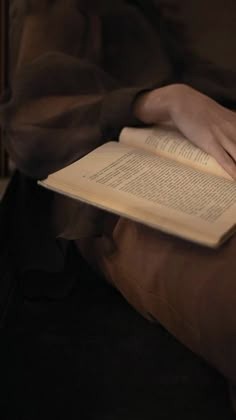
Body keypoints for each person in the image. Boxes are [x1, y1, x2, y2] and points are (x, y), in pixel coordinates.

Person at [1, 0, 236, 410]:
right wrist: (167, 100)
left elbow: (207, 83)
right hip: (108, 186)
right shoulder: (55, 8)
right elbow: (31, 119)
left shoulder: (156, 13)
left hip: (191, 156)